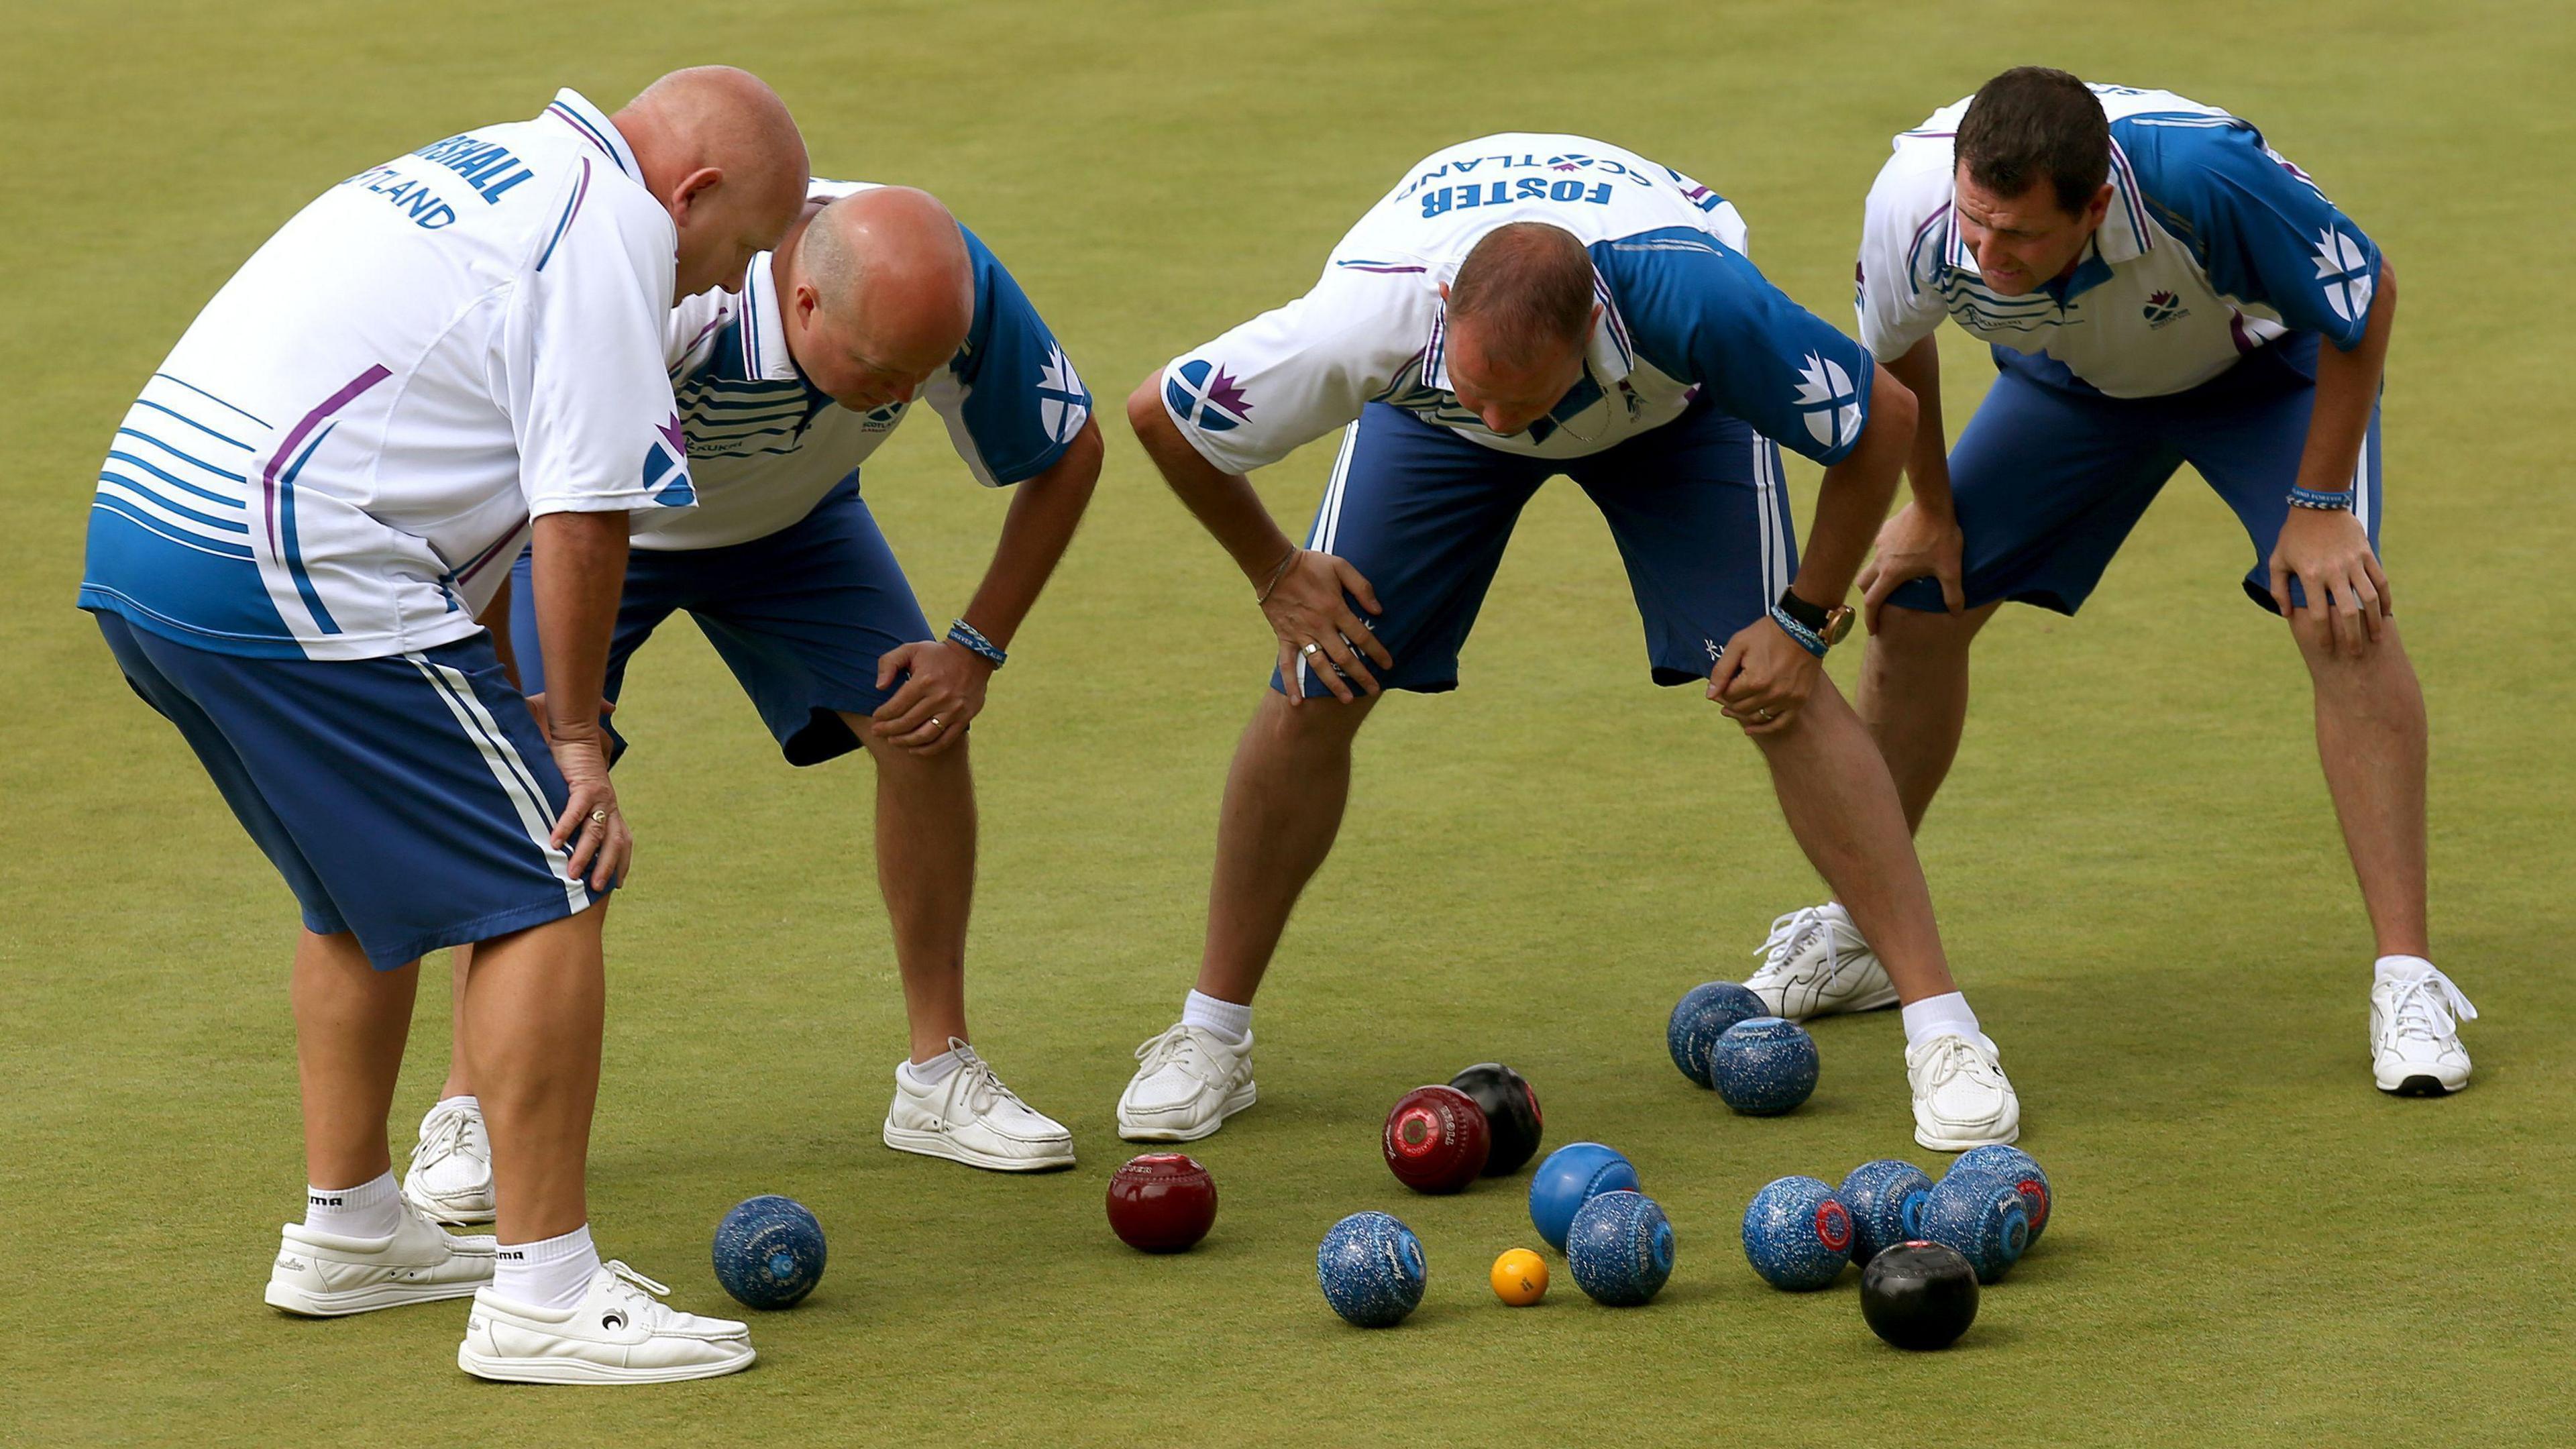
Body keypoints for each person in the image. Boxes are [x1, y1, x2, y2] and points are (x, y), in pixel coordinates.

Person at [78, 70, 809, 1383]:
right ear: (691, 195)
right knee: (553, 872)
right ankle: (544, 1292)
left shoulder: (506, 165)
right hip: (283, 558)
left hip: (146, 538)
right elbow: (585, 512)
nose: (720, 284)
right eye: (740, 249)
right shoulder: (610, 236)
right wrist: (573, 741)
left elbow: (451, 454)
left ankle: (352, 1232)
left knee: (357, 894)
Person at [1119, 132, 2021, 1153]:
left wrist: (1801, 621)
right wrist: (1278, 573)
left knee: (1781, 692)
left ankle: (1942, 1032)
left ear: (1593, 323)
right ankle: (1209, 1038)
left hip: (1670, 416)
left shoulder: (1697, 304)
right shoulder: (1367, 322)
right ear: (1444, 316)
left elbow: (1882, 419)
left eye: (1525, 397)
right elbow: (1163, 413)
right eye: (1481, 385)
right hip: (1430, 433)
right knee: (1314, 685)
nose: (1505, 418)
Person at [1749, 67, 2473, 1097]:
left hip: (2268, 374)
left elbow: (2367, 294)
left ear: (2094, 205)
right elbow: (1899, 350)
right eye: (1976, 226)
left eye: (2022, 239)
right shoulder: (1910, 204)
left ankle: (2409, 980)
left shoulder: (2205, 178)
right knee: (1913, 604)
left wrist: (2319, 511)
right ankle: (1865, 935)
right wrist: (1936, 509)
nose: (1988, 258)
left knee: (2338, 610)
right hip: (2077, 389)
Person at [398, 181, 1099, 1210]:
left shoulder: (950, 290)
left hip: (798, 528)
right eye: (874, 371)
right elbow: (502, 495)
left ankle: (938, 1070)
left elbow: (1068, 451)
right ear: (805, 305)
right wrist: (526, 701)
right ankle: (470, 1105)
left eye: (914, 379)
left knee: (925, 731)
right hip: (598, 532)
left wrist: (975, 647)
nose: (895, 394)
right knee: (542, 793)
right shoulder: (669, 301)